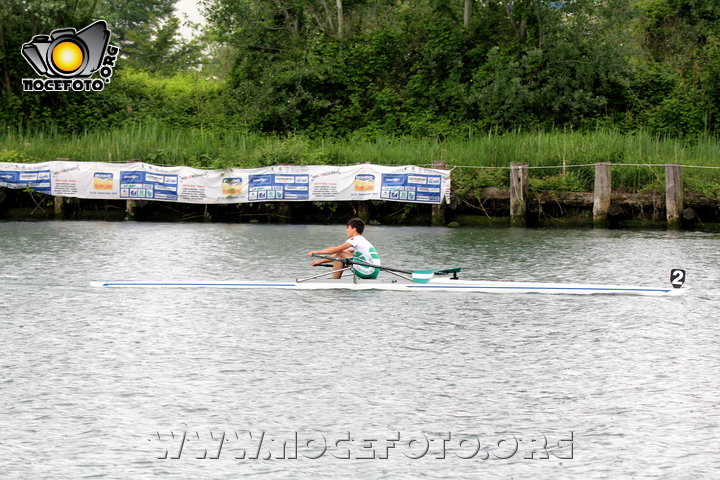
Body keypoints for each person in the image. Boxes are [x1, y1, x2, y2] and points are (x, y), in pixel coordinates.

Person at [308, 218, 381, 279]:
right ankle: (335, 281)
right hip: (374, 272)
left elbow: (337, 250)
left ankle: (334, 282)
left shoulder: (355, 239)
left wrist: (318, 252)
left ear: (354, 229)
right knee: (342, 254)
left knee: (341, 253)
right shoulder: (362, 240)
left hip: (368, 271)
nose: (346, 230)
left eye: (348, 228)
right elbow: (338, 255)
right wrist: (320, 261)